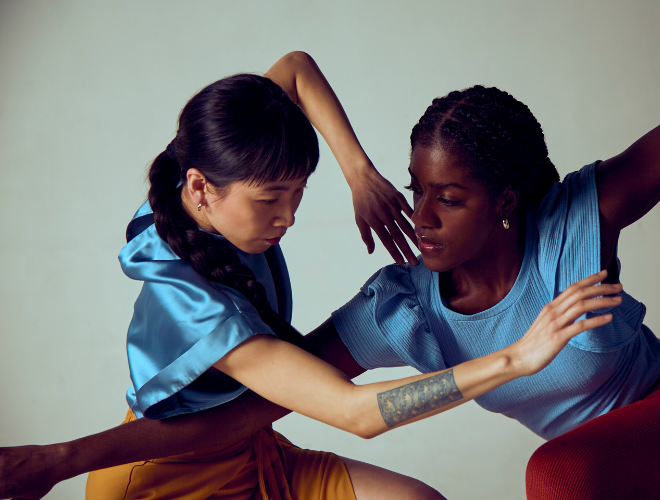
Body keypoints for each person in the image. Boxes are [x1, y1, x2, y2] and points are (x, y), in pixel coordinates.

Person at [2, 0, 660, 498]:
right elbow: (278, 411)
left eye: (447, 198)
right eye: (415, 191)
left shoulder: (572, 221)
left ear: (507, 203)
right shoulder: (400, 308)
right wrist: (63, 458)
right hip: (606, 479)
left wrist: (359, 173)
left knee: (553, 477)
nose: (420, 216)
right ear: (203, 189)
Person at [0, 51, 619, 500]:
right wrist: (516, 358)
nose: (289, 218)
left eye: (297, 193)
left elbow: (293, 71)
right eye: (271, 200)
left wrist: (359, 174)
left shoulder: (198, 170)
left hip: (255, 453)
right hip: (168, 482)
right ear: (202, 189)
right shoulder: (199, 312)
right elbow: (356, 413)